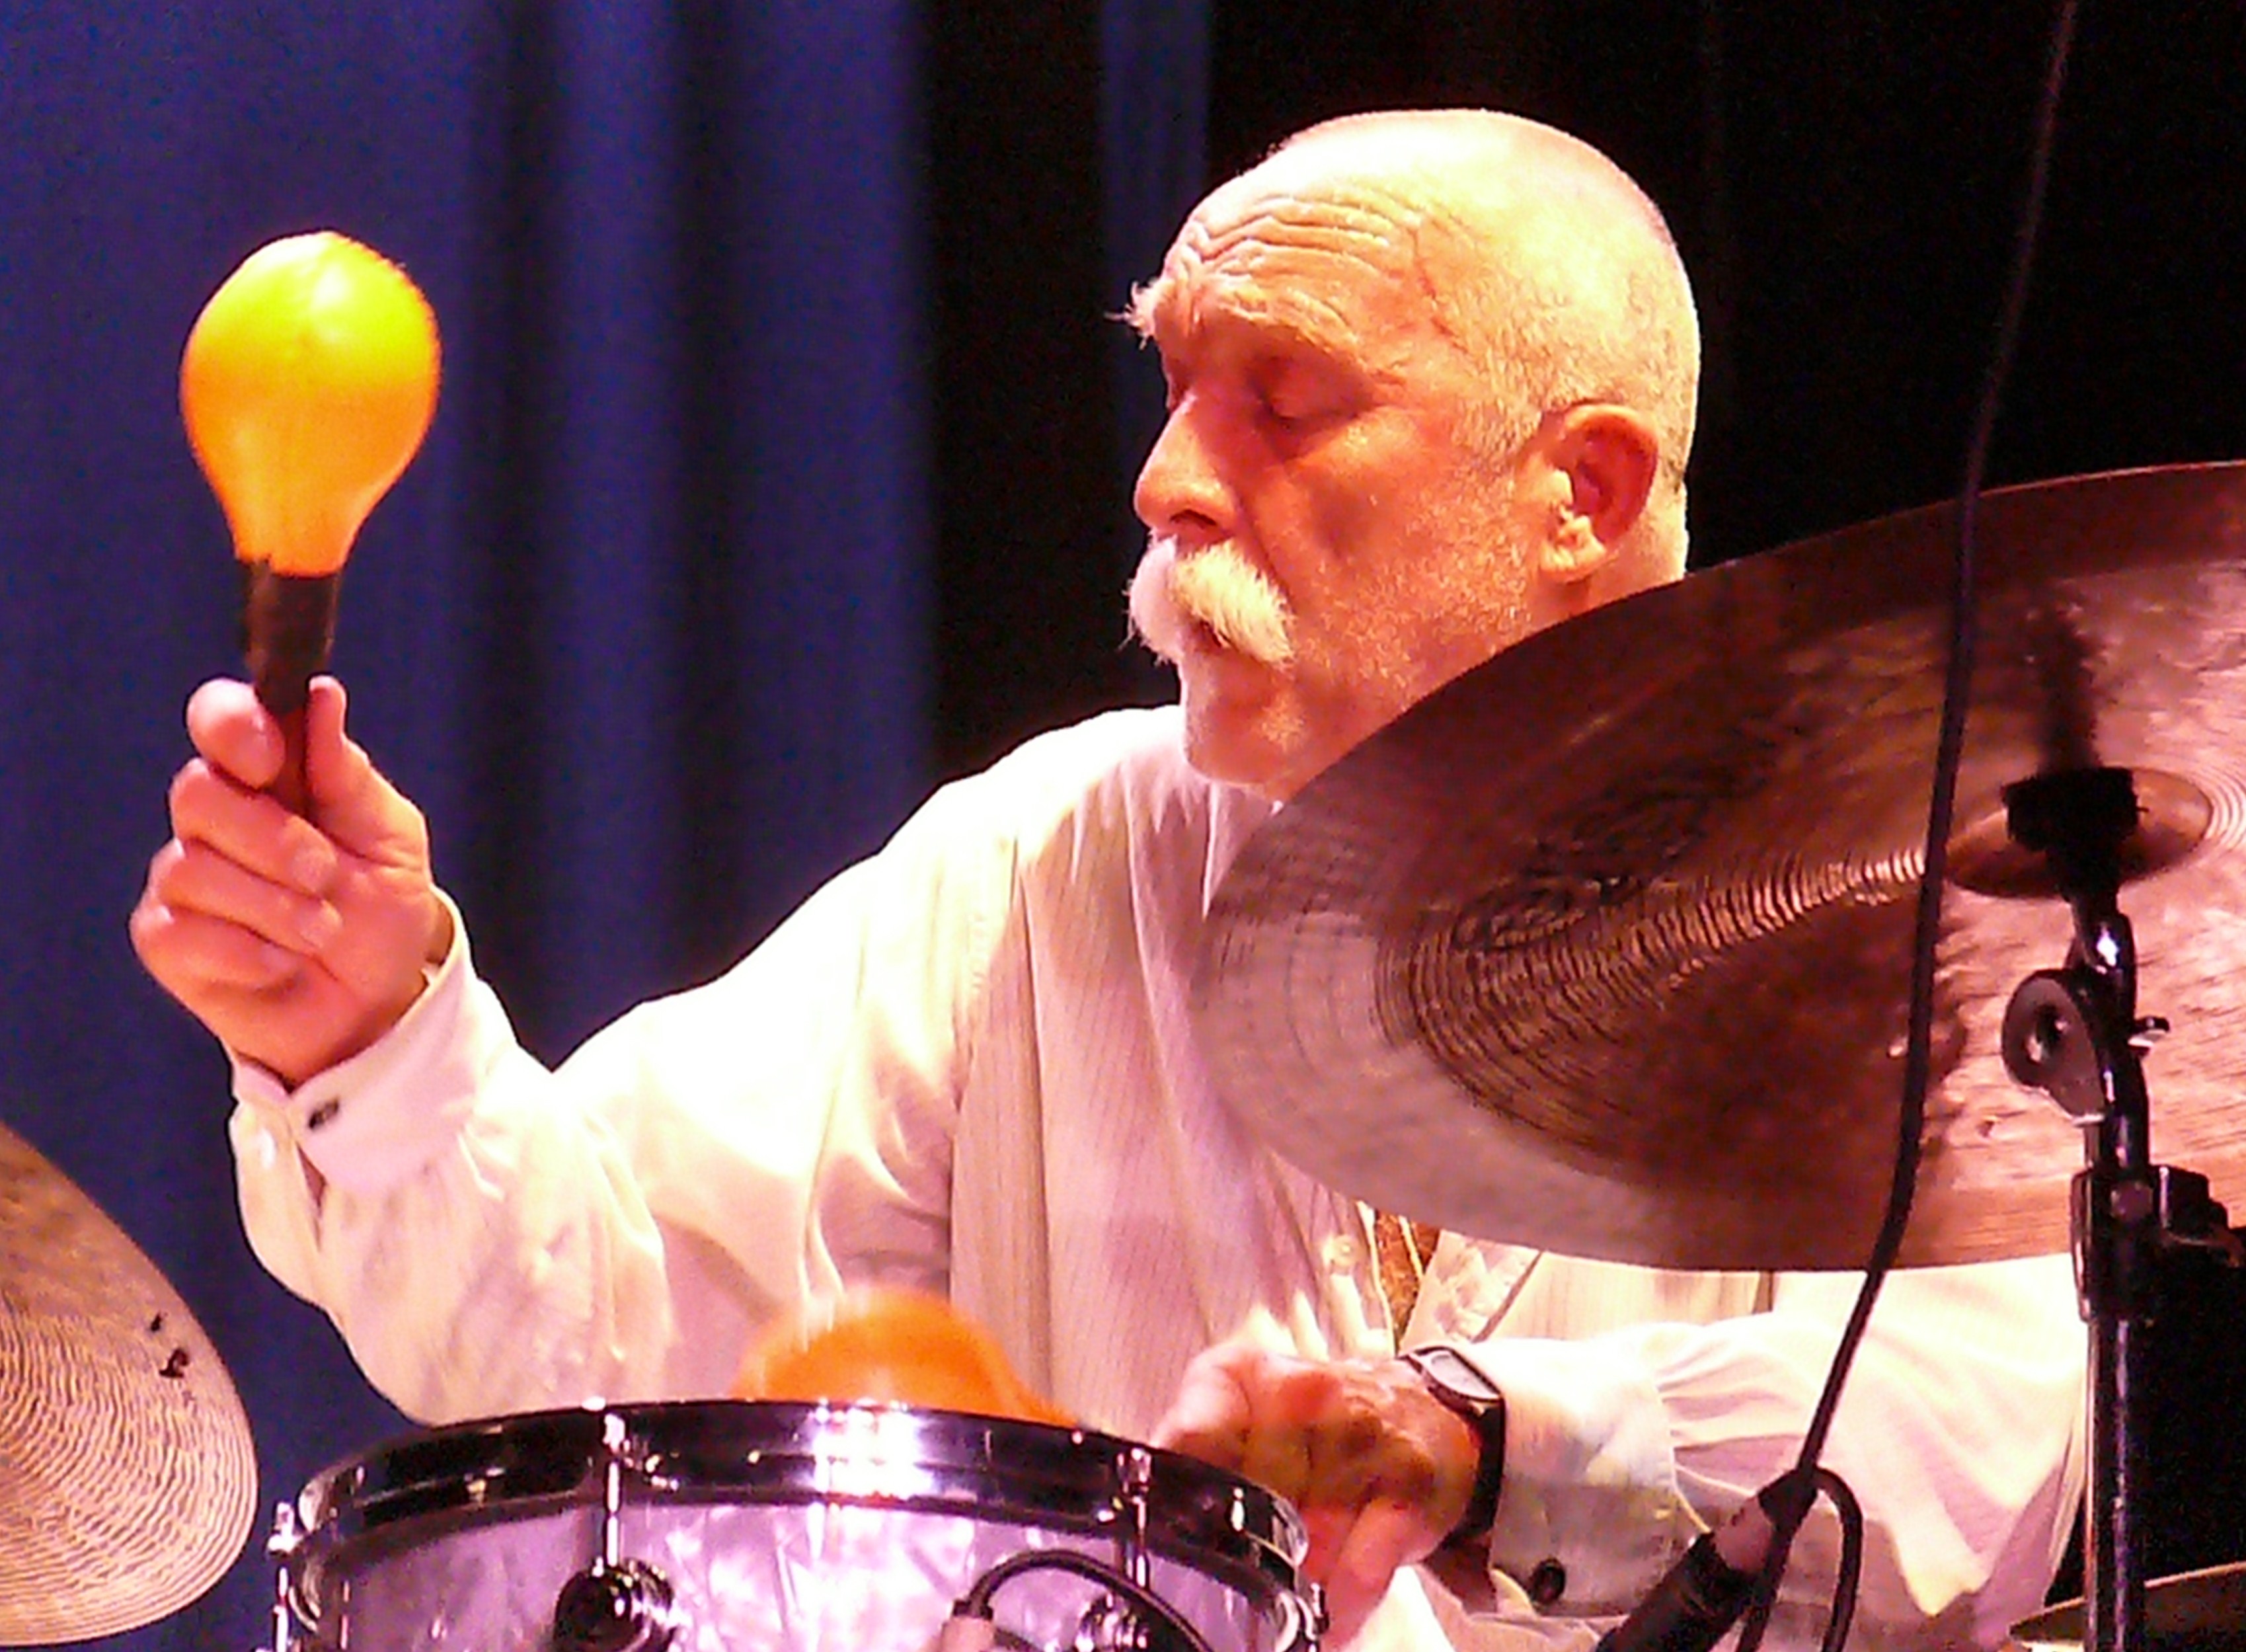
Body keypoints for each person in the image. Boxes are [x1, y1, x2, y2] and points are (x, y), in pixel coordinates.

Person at [132, 110, 2083, 1649]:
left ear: (1574, 489)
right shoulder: (1048, 856)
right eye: (1174, 382)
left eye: (1286, 398)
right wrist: (370, 1035)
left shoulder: (1859, 906)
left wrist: (1490, 1442)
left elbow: (1989, 1443)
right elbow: (607, 1331)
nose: (1168, 477)